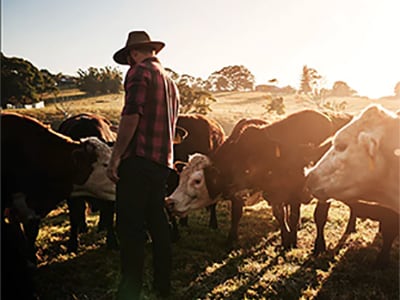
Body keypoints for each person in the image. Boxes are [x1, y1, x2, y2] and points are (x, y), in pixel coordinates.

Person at [107, 30, 180, 300]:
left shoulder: (139, 72)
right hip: (162, 163)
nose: (129, 64)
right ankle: (163, 286)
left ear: (133, 53)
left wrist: (116, 157)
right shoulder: (171, 81)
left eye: (129, 59)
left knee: (129, 227)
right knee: (158, 224)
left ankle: (130, 290)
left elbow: (131, 114)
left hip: (137, 161)